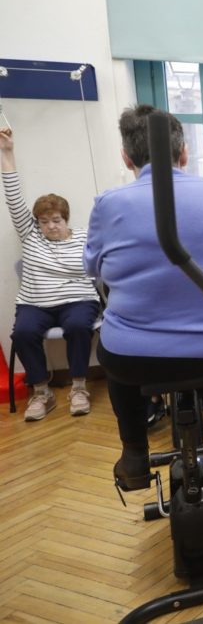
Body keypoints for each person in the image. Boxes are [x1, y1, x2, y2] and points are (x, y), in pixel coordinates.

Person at [84, 105, 203, 544]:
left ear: (127, 158)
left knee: (114, 352)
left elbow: (94, 268)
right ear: (184, 152)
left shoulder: (108, 203)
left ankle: (135, 455)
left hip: (137, 357)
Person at [1, 127, 100, 421]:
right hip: (35, 302)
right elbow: (14, 200)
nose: (51, 226)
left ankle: (79, 387)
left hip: (78, 301)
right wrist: (7, 153)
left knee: (79, 327)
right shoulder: (31, 236)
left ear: (66, 219)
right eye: (44, 222)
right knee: (22, 332)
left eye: (56, 220)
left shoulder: (85, 237)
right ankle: (42, 391)